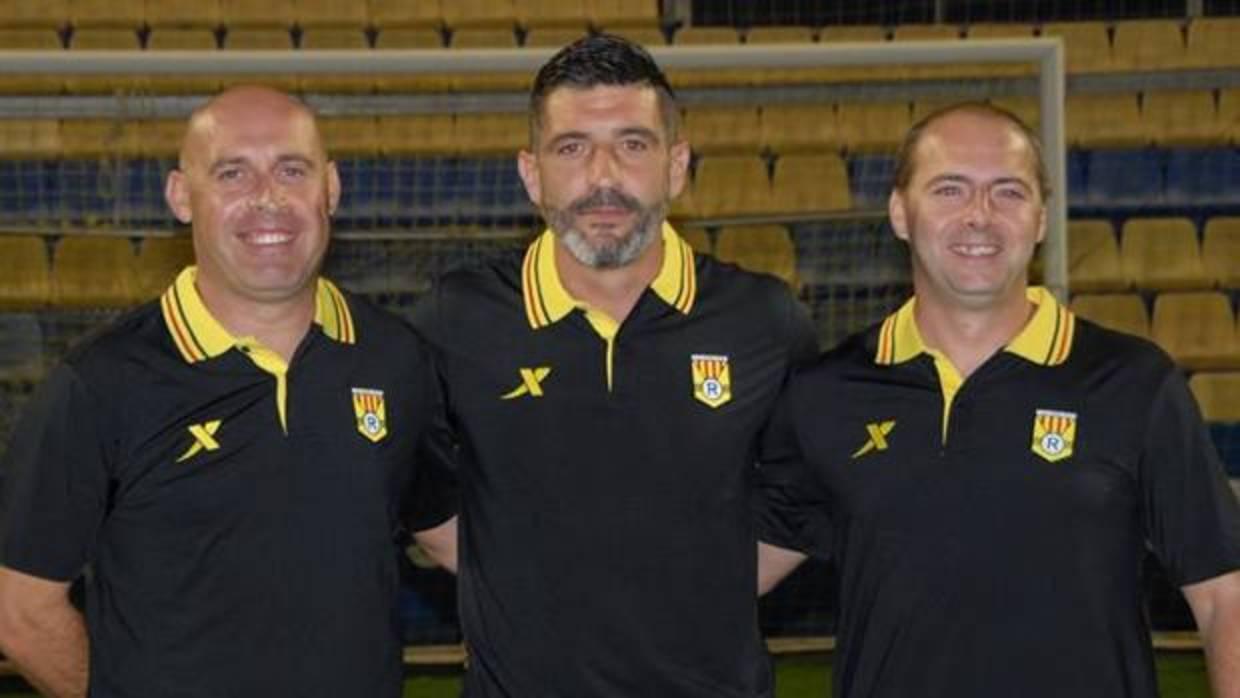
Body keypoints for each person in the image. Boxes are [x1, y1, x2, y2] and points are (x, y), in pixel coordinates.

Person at [756, 102, 1240, 698]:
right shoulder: (826, 392)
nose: (978, 217)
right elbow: (732, 568)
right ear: (900, 213)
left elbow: (1225, 595)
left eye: (1007, 192)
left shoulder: (1134, 382)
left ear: (1041, 218)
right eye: (949, 189)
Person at [0, 86, 456, 698]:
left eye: (291, 170)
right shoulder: (102, 383)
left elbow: (451, 531)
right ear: (181, 197)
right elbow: (20, 608)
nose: (267, 198)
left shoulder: (395, 358)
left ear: (332, 188)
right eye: (232, 173)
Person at [412, 34, 817, 696]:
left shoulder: (765, 321)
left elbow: (802, 501)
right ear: (531, 172)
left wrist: (686, 598)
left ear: (677, 165)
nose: (603, 177)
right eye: (572, 148)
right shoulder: (455, 320)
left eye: (633, 144)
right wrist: (528, 598)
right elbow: (420, 496)